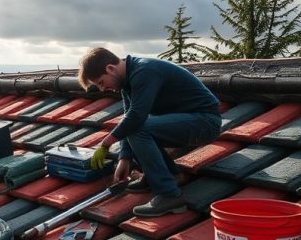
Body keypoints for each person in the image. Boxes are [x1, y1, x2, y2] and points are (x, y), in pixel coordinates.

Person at [80, 47, 221, 217]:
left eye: (102, 82)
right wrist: (124, 158)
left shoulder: (145, 71)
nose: (103, 89)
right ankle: (165, 175)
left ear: (110, 68)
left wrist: (105, 143)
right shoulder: (128, 82)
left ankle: (169, 195)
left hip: (205, 122)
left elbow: (136, 117)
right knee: (136, 127)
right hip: (186, 122)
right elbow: (129, 118)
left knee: (139, 128)